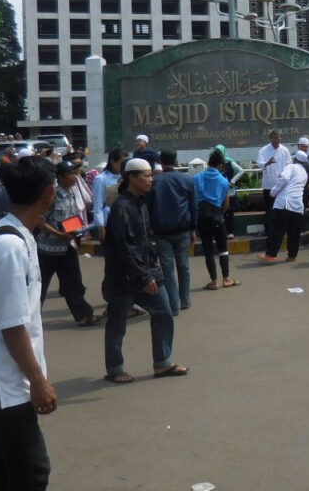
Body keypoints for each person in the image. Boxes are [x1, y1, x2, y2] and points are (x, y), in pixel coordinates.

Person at [0, 156, 58, 489]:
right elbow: (12, 325)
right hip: (3, 384)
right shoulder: (9, 245)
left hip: (6, 381)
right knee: (32, 472)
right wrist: (37, 380)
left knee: (8, 472)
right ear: (49, 193)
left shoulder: (18, 235)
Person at [103, 159, 187, 383]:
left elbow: (145, 242)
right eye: (147, 175)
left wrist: (152, 271)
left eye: (151, 175)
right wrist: (144, 275)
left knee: (164, 312)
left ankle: (162, 363)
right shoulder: (121, 207)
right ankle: (115, 368)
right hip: (123, 277)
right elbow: (124, 247)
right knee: (118, 322)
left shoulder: (141, 203)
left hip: (145, 272)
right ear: (132, 178)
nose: (151, 179)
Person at [36, 162, 102, 326]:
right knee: (39, 288)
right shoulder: (51, 195)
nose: (75, 177)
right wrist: (59, 234)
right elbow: (39, 220)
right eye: (71, 174)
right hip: (48, 249)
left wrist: (77, 233)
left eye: (75, 173)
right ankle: (30, 321)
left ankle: (83, 316)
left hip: (67, 247)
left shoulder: (72, 192)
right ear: (60, 177)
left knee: (74, 284)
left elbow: (71, 218)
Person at [148, 151, 196, 314]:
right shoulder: (186, 179)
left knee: (167, 269)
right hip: (182, 230)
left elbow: (148, 207)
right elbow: (193, 206)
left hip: (161, 232)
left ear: (161, 162)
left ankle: (173, 305)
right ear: (176, 161)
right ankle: (185, 300)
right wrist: (193, 229)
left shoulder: (154, 181)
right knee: (183, 266)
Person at [193, 151, 239, 288]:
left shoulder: (196, 178)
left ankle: (213, 282)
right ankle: (226, 279)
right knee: (223, 249)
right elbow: (226, 204)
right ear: (220, 165)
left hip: (201, 217)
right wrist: (219, 213)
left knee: (208, 251)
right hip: (217, 217)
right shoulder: (223, 181)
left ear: (208, 163)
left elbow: (192, 199)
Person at [260, 151, 309, 262]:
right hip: (297, 206)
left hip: (284, 203)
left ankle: (271, 253)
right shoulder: (304, 172)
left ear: (295, 159)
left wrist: (273, 192)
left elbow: (285, 179)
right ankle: (292, 255)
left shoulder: (291, 167)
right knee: (294, 232)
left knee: (277, 229)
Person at [256, 129, 291, 230]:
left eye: (278, 137)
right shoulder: (264, 150)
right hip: (269, 184)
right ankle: (270, 229)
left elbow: (289, 165)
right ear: (270, 138)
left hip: (282, 184)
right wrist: (267, 163)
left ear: (280, 137)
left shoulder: (284, 150)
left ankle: (282, 228)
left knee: (282, 206)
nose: (276, 140)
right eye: (274, 138)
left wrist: (284, 174)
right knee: (269, 207)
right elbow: (259, 163)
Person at [92, 149, 127, 242]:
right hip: (109, 221)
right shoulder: (101, 179)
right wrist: (101, 228)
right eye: (122, 163)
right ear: (112, 162)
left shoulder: (125, 177)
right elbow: (98, 205)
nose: (124, 167)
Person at [213, 144, 245, 238]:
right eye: (217, 152)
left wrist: (233, 181)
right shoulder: (214, 164)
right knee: (219, 212)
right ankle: (220, 233)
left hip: (229, 191)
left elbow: (241, 170)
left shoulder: (230, 163)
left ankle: (230, 232)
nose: (218, 154)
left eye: (220, 152)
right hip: (218, 192)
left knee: (230, 212)